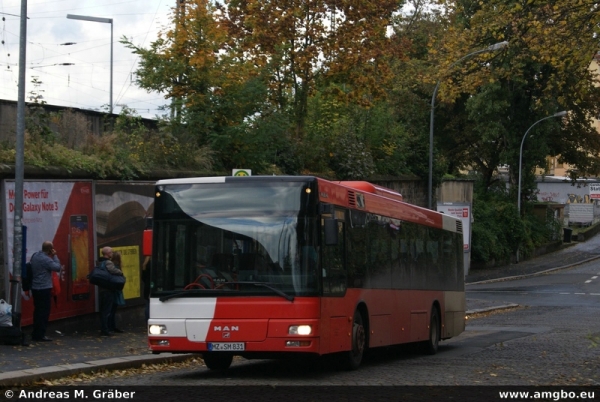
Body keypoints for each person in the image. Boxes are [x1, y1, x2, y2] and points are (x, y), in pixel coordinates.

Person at [30, 241, 62, 342]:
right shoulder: (46, 259)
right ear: (50, 249)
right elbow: (57, 268)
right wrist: (55, 256)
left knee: (38, 311)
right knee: (44, 312)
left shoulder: (35, 256)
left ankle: (36, 333)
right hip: (44, 288)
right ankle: (40, 335)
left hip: (35, 287)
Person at [98, 246, 123, 336]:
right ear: (107, 254)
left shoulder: (99, 262)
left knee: (104, 310)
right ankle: (105, 329)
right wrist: (120, 272)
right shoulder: (108, 262)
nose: (112, 254)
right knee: (107, 310)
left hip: (102, 288)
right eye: (111, 252)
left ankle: (106, 328)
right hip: (108, 289)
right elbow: (114, 271)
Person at [107, 251, 125, 334]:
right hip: (116, 290)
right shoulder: (117, 267)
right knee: (112, 310)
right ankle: (111, 327)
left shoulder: (112, 265)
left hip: (112, 289)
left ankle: (111, 326)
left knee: (111, 310)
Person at [142, 255, 151, 322]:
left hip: (147, 287)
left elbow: (143, 278)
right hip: (152, 287)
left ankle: (147, 320)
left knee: (147, 305)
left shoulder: (144, 266)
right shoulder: (155, 264)